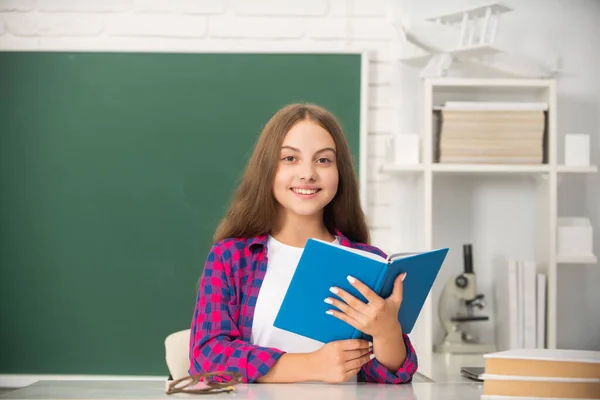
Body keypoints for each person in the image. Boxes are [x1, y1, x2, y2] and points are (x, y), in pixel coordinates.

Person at [189, 103, 417, 384]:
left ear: (339, 173)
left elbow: (391, 375)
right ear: (267, 169)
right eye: (289, 158)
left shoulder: (370, 262)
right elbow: (207, 357)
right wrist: (311, 365)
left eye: (323, 160)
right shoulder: (231, 257)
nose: (308, 173)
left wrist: (386, 332)